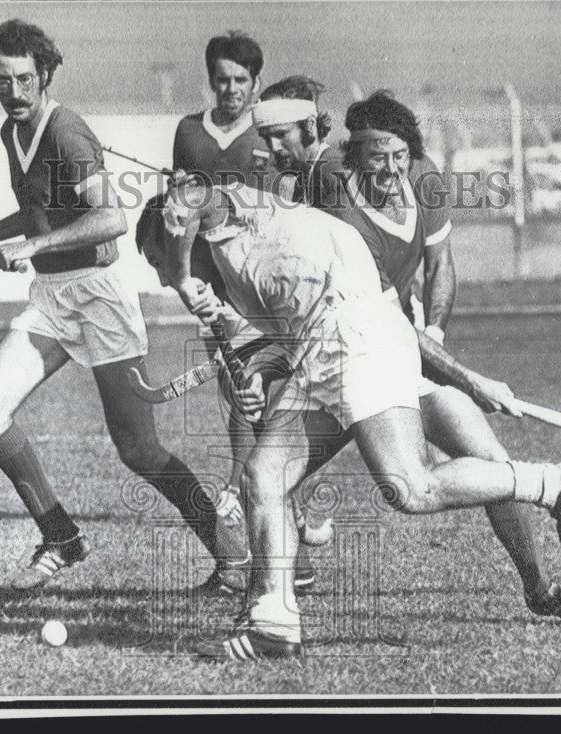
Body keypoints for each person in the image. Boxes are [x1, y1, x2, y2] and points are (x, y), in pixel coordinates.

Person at [135, 180, 561, 660]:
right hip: (324, 346)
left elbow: (189, 197)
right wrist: (259, 372)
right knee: (264, 475)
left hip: (354, 334)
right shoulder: (238, 263)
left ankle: (558, 482)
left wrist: (180, 276)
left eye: (156, 260)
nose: (160, 278)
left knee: (412, 488)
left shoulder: (224, 215)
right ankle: (273, 624)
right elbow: (289, 323)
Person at [251, 83, 561, 624]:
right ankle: (266, 611)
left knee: (487, 463)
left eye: (399, 157)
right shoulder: (335, 199)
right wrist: (468, 379)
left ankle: (541, 585)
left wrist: (438, 342)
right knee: (271, 476)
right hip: (359, 353)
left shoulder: (421, 178)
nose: (391, 171)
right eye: (377, 160)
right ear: (353, 156)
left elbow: (440, 266)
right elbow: (303, 181)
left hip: (400, 348)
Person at [0, 19, 244, 591]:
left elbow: (109, 218)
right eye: (1, 80)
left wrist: (32, 246)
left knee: (138, 450)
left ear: (45, 75)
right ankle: (61, 536)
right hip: (53, 300)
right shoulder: (14, 134)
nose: (13, 91)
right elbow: (40, 217)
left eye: (24, 79)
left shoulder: (66, 133)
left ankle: (231, 556)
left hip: (101, 297)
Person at [170, 32, 315, 592]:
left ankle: (287, 551)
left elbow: (294, 199)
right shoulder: (188, 131)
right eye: (221, 78)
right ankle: (279, 554)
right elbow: (182, 204)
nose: (230, 89)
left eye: (240, 80)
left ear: (256, 83)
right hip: (215, 288)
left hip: (267, 288)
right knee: (239, 403)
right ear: (211, 79)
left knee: (272, 410)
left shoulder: (269, 131)